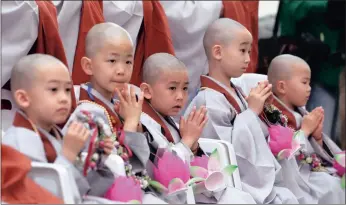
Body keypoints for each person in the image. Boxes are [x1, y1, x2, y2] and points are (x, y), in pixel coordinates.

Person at [185, 18, 299, 204]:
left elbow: (255, 137)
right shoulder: (208, 101)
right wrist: (252, 112)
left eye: (249, 51)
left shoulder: (237, 90)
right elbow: (226, 153)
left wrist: (262, 113)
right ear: (218, 52)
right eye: (242, 50)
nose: (248, 58)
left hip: (251, 178)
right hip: (230, 184)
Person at [63, 22, 165, 203]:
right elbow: (119, 170)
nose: (121, 70)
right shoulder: (87, 113)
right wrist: (131, 123)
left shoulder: (119, 105)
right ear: (88, 66)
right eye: (112, 61)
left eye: (128, 61)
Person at [139, 52, 257, 204]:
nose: (180, 96)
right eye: (172, 88)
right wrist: (187, 140)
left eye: (185, 88)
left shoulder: (170, 121)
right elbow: (163, 173)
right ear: (147, 91)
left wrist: (193, 146)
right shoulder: (143, 124)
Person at [2, 54, 91, 203]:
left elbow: (82, 191)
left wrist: (96, 156)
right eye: (54, 89)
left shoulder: (54, 133)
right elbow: (40, 197)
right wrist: (68, 154)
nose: (64, 98)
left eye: (68, 90)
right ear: (23, 98)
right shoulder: (21, 140)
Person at [266, 54, 345, 203]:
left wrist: (317, 137)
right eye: (304, 82)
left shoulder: (301, 112)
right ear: (282, 86)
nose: (309, 89)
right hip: (290, 179)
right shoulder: (269, 115)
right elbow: (280, 158)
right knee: (332, 186)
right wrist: (305, 131)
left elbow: (313, 152)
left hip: (308, 172)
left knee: (338, 181)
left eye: (309, 83)